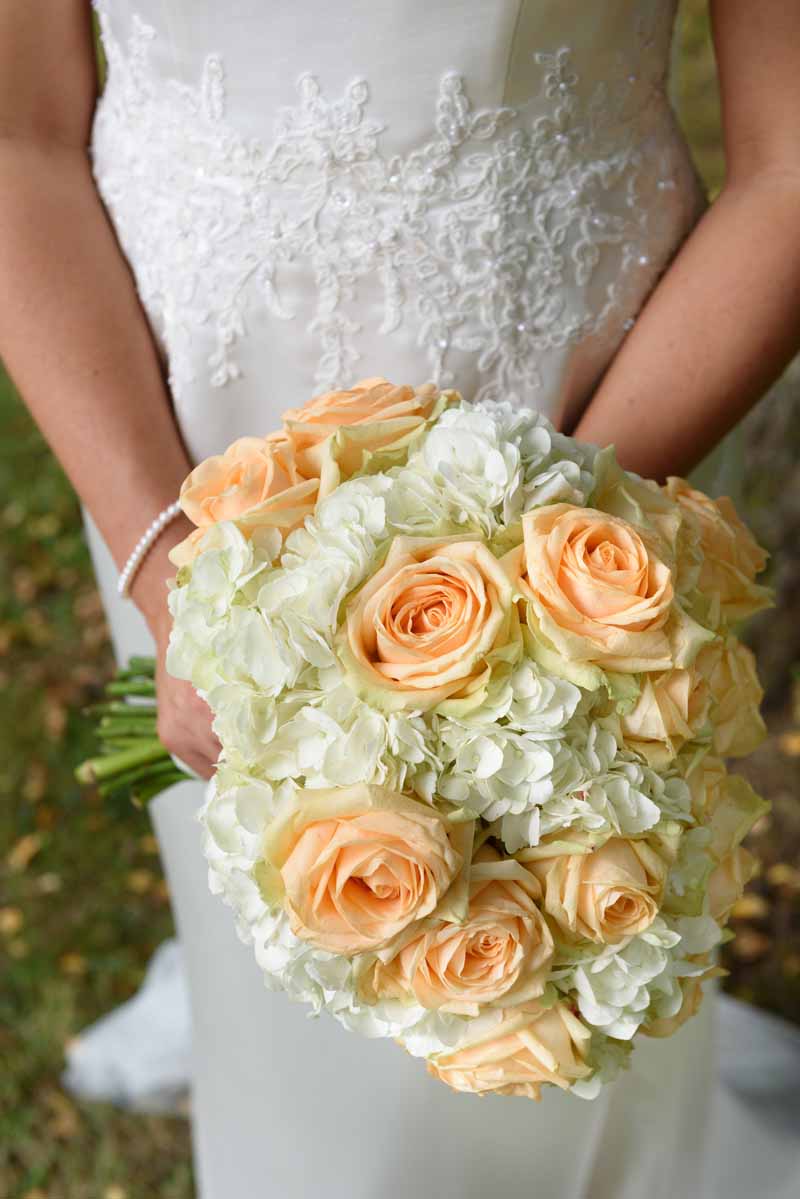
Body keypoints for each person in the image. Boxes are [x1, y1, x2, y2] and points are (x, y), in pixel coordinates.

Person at [1, 2, 799, 1196]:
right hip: (185, 441)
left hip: (608, 414)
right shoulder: (173, 525)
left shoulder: (592, 493)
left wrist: (553, 553)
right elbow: (19, 133)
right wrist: (167, 561)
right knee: (279, 912)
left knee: (579, 888)